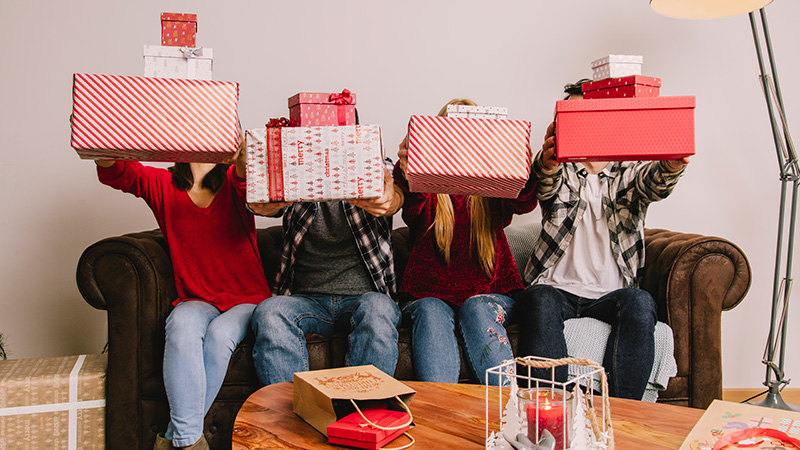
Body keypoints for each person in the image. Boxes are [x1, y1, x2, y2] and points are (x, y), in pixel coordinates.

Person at [516, 79, 689, 400]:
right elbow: (543, 183)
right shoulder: (560, 168)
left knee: (640, 302)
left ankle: (625, 414)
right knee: (539, 299)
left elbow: (653, 184)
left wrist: (672, 164)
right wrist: (549, 159)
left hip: (611, 294)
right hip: (555, 289)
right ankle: (546, 412)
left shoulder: (629, 167)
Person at [94, 139, 271, 450]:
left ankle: (176, 440)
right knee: (181, 325)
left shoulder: (233, 180)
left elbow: (245, 178)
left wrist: (241, 156)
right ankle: (189, 441)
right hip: (196, 297)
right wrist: (96, 136)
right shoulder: (162, 185)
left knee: (219, 335)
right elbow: (119, 172)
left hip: (247, 297)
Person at [393, 99, 538, 385]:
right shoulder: (429, 189)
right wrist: (411, 165)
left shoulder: (492, 185)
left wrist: (520, 166)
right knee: (431, 311)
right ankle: (439, 412)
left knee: (476, 307)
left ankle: (508, 410)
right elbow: (412, 205)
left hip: (491, 294)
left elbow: (524, 202)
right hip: (429, 295)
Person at [249, 157, 405, 385]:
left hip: (364, 298)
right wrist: (259, 201)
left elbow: (395, 197)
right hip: (308, 301)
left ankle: (362, 414)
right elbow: (262, 202)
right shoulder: (292, 165)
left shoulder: (374, 163)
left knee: (378, 308)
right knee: (270, 311)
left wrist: (391, 201)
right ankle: (290, 415)